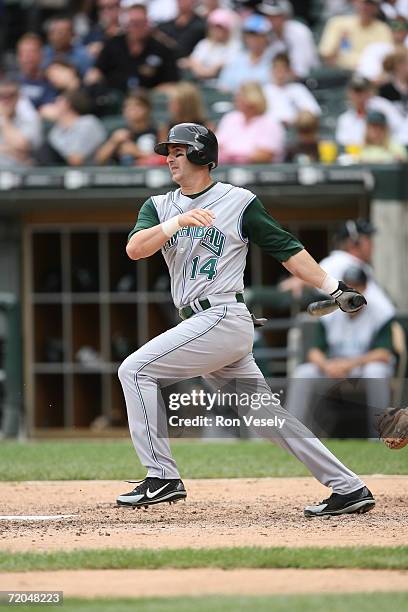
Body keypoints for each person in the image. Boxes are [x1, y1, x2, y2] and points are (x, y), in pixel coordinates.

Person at [116, 121, 376, 517]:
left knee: (135, 371)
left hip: (222, 314)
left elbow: (287, 250)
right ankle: (349, 487)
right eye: (168, 150)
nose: (169, 157)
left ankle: (162, 477)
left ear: (202, 154)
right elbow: (135, 249)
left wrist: (335, 289)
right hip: (202, 322)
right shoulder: (159, 206)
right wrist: (176, 223)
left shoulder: (238, 201)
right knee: (267, 416)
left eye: (178, 150)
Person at [286, 266, 395, 437]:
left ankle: (379, 435)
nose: (354, 290)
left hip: (361, 368)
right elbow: (314, 352)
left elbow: (383, 354)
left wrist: (349, 365)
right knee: (303, 372)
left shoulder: (380, 312)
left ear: (366, 288)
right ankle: (291, 435)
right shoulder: (330, 312)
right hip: (333, 368)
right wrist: (327, 366)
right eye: (350, 286)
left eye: (358, 286)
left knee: (376, 371)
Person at [86, 2, 180, 92]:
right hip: (114, 95)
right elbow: (97, 70)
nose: (136, 27)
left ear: (147, 23)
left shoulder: (161, 49)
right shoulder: (113, 44)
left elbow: (171, 82)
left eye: (140, 23)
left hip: (147, 99)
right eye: (132, 23)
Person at [216, 81, 285, 163]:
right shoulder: (230, 118)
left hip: (257, 172)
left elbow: (266, 155)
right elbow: (217, 146)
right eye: (238, 96)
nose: (237, 99)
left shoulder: (271, 123)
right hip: (226, 169)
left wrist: (236, 157)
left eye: (242, 96)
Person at [37, 89, 106, 166]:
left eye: (57, 102)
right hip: (64, 173)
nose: (53, 106)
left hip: (92, 173)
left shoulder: (88, 122)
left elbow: (76, 160)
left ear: (67, 104)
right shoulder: (57, 128)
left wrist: (58, 119)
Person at [319, 0, 393, 71]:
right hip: (341, 73)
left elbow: (387, 59)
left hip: (371, 75)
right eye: (364, 3)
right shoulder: (337, 23)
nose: (366, 7)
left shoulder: (383, 29)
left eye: (371, 4)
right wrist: (340, 41)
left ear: (377, 7)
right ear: (355, 2)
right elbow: (327, 56)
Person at [257, 0, 319, 79]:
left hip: (308, 80)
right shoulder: (266, 32)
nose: (269, 20)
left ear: (285, 16)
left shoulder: (299, 32)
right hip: (277, 80)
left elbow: (300, 71)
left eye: (274, 16)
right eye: (267, 16)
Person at [335, 74, 401, 146]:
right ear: (349, 93)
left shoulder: (383, 107)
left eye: (364, 91)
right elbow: (344, 143)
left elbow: (400, 129)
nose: (360, 95)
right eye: (357, 91)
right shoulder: (345, 119)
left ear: (370, 92)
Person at [95, 89, 159, 165]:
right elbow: (99, 160)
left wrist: (137, 152)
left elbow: (165, 159)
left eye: (137, 105)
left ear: (147, 108)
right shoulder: (118, 133)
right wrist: (113, 142)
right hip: (121, 176)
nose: (131, 109)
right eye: (127, 106)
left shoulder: (158, 130)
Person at [217, 13, 273, 92]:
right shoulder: (236, 58)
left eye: (258, 35)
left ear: (266, 37)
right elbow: (223, 86)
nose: (253, 39)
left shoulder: (275, 59)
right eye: (250, 35)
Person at [263, 53, 321, 125]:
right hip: (269, 128)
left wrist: (296, 119)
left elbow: (313, 112)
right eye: (277, 69)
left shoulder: (298, 89)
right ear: (271, 70)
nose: (280, 73)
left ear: (289, 71)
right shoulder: (264, 90)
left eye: (283, 69)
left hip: (294, 128)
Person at [186, 8, 240, 82]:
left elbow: (222, 66)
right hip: (199, 82)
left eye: (221, 28)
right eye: (214, 27)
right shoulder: (204, 43)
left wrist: (213, 69)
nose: (217, 31)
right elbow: (193, 61)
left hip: (220, 86)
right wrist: (201, 71)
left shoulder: (235, 46)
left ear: (228, 30)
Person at [0, 79, 43, 168]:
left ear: (19, 97)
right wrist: (10, 150)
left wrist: (4, 118)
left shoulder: (30, 118)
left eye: (11, 96)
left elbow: (22, 146)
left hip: (21, 174)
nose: (6, 100)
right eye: (2, 96)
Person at [356, 15, 408, 83]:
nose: (399, 29)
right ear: (389, 28)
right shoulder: (375, 48)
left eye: (404, 26)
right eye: (395, 25)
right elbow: (366, 74)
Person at [15, 33, 58, 110]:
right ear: (18, 57)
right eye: (23, 52)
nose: (28, 56)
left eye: (32, 52)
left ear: (41, 55)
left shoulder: (51, 82)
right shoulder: (11, 81)